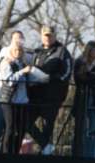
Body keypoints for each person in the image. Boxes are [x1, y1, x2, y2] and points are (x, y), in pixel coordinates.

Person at [28, 26, 73, 155]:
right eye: (45, 35)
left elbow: (67, 72)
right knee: (26, 122)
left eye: (50, 35)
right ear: (41, 36)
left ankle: (46, 153)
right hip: (36, 94)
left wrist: (52, 79)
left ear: (54, 36)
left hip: (53, 95)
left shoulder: (62, 51)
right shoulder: (37, 51)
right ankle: (45, 145)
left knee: (48, 124)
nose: (47, 38)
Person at [0, 43, 32, 155]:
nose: (18, 52)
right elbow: (9, 81)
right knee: (10, 128)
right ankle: (5, 152)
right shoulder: (6, 63)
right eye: (15, 50)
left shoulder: (23, 64)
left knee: (22, 129)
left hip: (22, 101)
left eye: (20, 50)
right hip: (9, 100)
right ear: (11, 51)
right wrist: (22, 72)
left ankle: (15, 152)